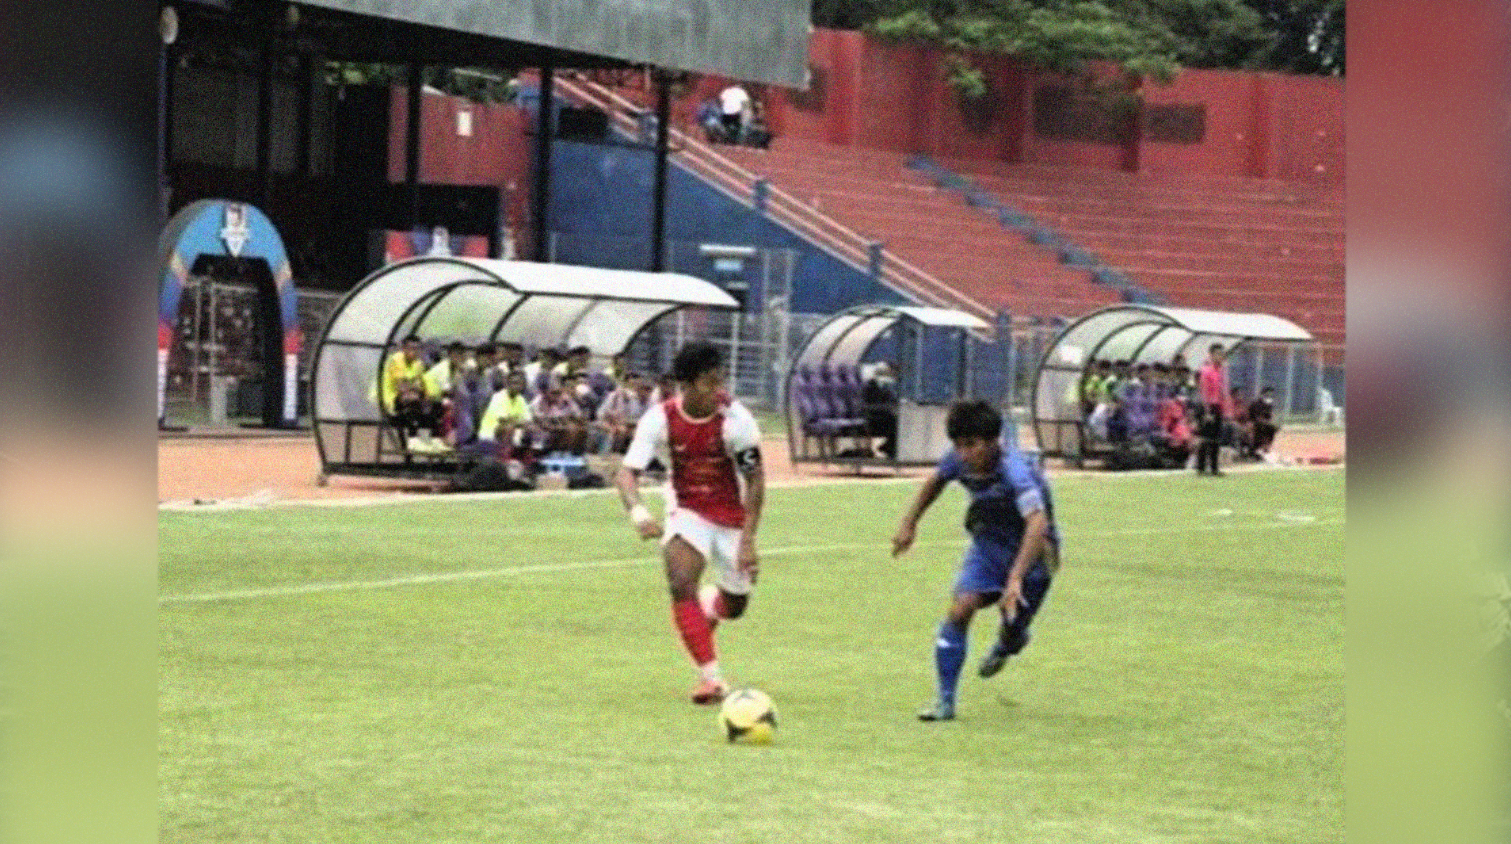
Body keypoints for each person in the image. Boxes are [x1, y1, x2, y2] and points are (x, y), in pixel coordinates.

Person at [613, 343, 765, 705]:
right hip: (687, 510)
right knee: (681, 582)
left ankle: (711, 606)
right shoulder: (659, 419)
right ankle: (710, 679)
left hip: (731, 515)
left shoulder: (737, 420)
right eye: (711, 383)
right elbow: (626, 474)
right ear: (689, 385)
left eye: (720, 380)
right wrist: (640, 514)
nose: (720, 390)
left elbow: (756, 480)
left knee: (737, 605)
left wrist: (748, 541)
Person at [892, 400, 1060, 721]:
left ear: (993, 442)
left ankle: (1009, 643)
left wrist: (1015, 578)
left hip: (1034, 555)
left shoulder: (1015, 472)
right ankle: (945, 702)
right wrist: (909, 523)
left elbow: (1037, 524)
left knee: (1011, 626)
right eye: (958, 445)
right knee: (960, 608)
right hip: (988, 548)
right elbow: (935, 481)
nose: (963, 454)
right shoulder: (959, 460)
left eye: (971, 445)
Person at [1194, 344, 1228, 476]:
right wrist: (1207, 411)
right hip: (1208, 406)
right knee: (1206, 438)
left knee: (1216, 439)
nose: (1220, 357)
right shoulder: (1207, 370)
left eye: (1222, 354)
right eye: (1218, 354)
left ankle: (1214, 467)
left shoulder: (1221, 371)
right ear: (1212, 354)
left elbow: (1222, 391)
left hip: (1218, 406)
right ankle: (1201, 468)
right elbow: (1204, 392)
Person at [1247, 386, 1279, 457]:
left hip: (1264, 424)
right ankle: (1260, 447)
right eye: (1267, 394)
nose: (1269, 396)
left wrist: (1271, 421)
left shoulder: (1269, 405)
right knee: (1264, 428)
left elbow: (1270, 416)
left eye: (1271, 395)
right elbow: (1254, 417)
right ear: (1263, 394)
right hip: (1254, 423)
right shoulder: (1256, 404)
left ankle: (1267, 447)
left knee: (1272, 428)